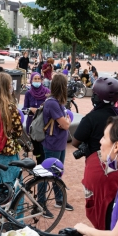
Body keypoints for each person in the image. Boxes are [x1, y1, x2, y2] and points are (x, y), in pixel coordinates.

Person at [73, 77, 118, 230]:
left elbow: (76, 141)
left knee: (98, 208)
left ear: (96, 97)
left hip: (98, 168)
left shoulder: (91, 118)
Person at [38, 73, 72, 214]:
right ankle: (40, 202)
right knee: (46, 174)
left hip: (59, 142)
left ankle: (58, 198)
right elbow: (65, 124)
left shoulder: (58, 102)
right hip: (53, 143)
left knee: (57, 173)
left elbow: (66, 121)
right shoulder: (52, 102)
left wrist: (66, 122)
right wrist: (66, 122)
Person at [22, 72, 50, 164]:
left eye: (39, 79)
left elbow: (51, 106)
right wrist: (30, 109)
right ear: (31, 80)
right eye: (35, 79)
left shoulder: (47, 92)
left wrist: (39, 110)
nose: (37, 81)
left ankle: (45, 164)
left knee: (44, 147)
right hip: (33, 124)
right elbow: (24, 109)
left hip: (44, 124)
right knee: (36, 148)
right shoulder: (28, 93)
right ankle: (39, 164)